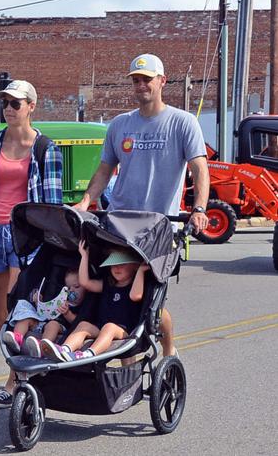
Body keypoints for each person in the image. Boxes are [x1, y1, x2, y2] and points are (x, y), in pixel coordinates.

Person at [73, 53, 210, 358]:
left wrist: (199, 209)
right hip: (120, 226)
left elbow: (199, 168)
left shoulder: (182, 122)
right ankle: (126, 368)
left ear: (162, 81)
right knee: (118, 294)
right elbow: (105, 169)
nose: (141, 85)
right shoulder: (120, 125)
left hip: (160, 229)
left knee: (151, 300)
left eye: (146, 79)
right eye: (136, 80)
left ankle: (169, 350)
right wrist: (86, 200)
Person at [0, 79, 63, 409]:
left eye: (15, 103)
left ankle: (14, 381)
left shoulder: (47, 150)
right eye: (4, 102)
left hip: (25, 238)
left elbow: (52, 206)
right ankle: (24, 371)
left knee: (20, 312)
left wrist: (49, 247)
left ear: (31, 107)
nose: (8, 108)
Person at [41, 242, 149, 361]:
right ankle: (65, 350)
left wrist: (140, 271)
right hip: (101, 328)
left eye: (122, 264)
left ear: (134, 265)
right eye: (113, 265)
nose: (117, 268)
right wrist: (84, 256)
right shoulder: (107, 284)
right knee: (84, 325)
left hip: (123, 330)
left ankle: (89, 354)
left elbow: (135, 296)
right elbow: (85, 283)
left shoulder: (135, 286)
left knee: (109, 327)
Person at [2, 268, 86, 357]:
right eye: (68, 288)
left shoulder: (82, 305)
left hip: (62, 326)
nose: (71, 290)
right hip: (43, 321)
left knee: (53, 324)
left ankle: (42, 347)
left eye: (76, 286)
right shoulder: (62, 298)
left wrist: (67, 313)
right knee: (26, 318)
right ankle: (17, 338)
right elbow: (48, 307)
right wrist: (39, 301)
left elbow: (78, 323)